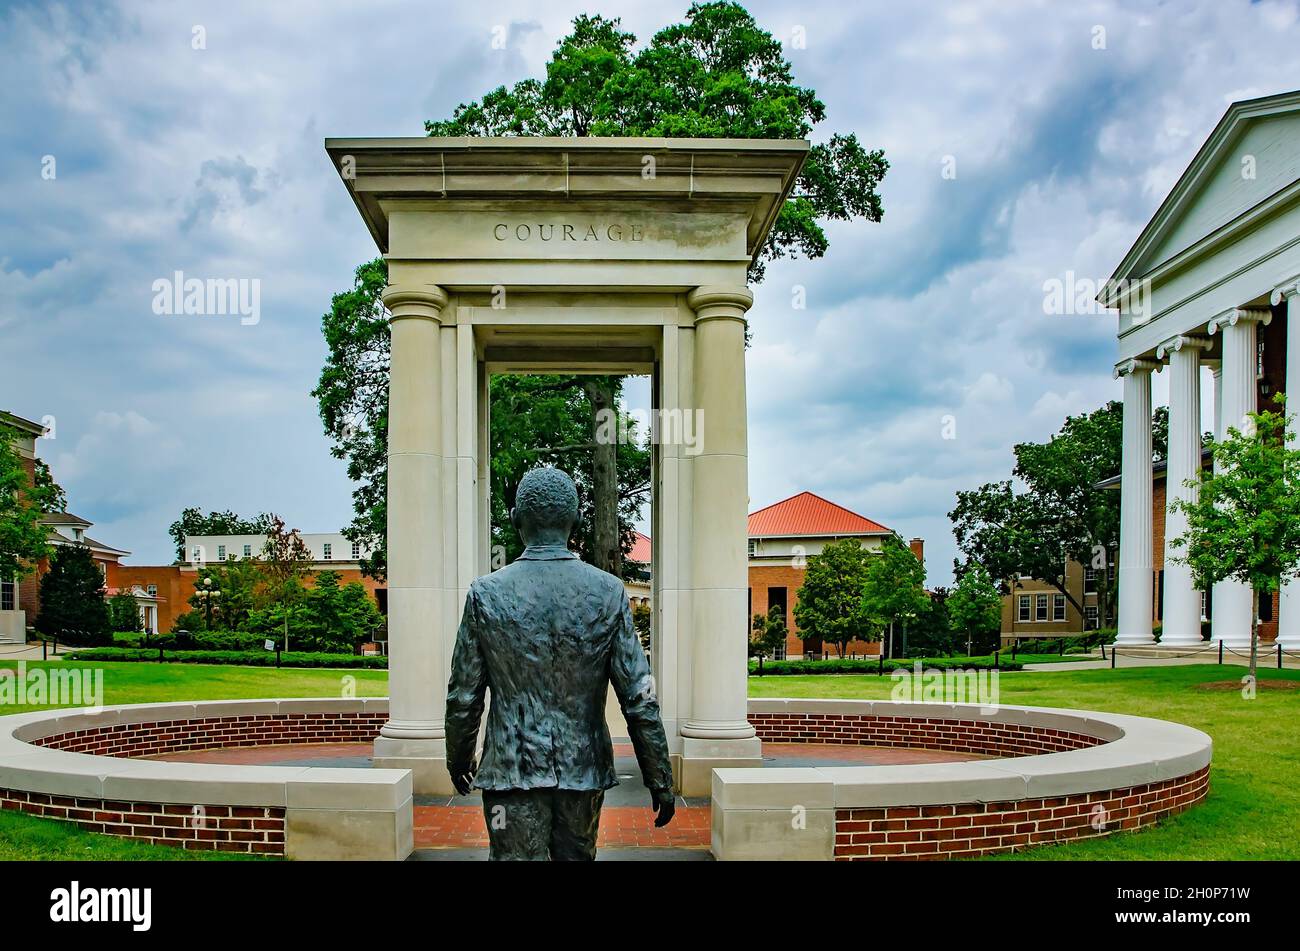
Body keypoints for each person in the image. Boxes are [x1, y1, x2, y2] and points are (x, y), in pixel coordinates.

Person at [445, 466, 675, 860]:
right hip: (582, 771)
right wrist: (658, 775)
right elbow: (639, 697)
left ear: (517, 519)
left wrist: (458, 758)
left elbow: (465, 695)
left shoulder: (485, 595)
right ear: (577, 520)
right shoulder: (607, 592)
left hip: (511, 772)